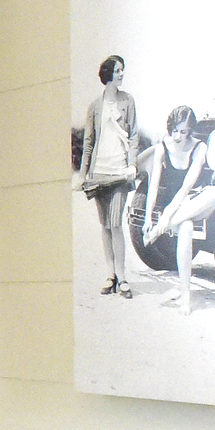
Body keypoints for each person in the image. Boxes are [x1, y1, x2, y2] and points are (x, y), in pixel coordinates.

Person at [138, 106, 215, 315]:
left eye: (184, 131)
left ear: (190, 131)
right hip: (176, 206)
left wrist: (167, 219)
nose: (178, 136)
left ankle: (161, 230)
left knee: (214, 192)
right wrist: (147, 218)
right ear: (170, 128)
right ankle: (185, 296)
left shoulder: (199, 148)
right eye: (175, 130)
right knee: (186, 227)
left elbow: (186, 187)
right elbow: (154, 185)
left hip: (195, 201)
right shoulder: (163, 146)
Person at [78, 55, 141, 295]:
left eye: (123, 70)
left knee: (115, 224)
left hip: (120, 172)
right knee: (105, 225)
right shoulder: (95, 105)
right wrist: (85, 174)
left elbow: (134, 136)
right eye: (117, 71)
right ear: (108, 75)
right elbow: (89, 141)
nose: (122, 74)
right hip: (99, 172)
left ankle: (123, 278)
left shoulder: (129, 101)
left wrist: (132, 165)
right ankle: (110, 275)